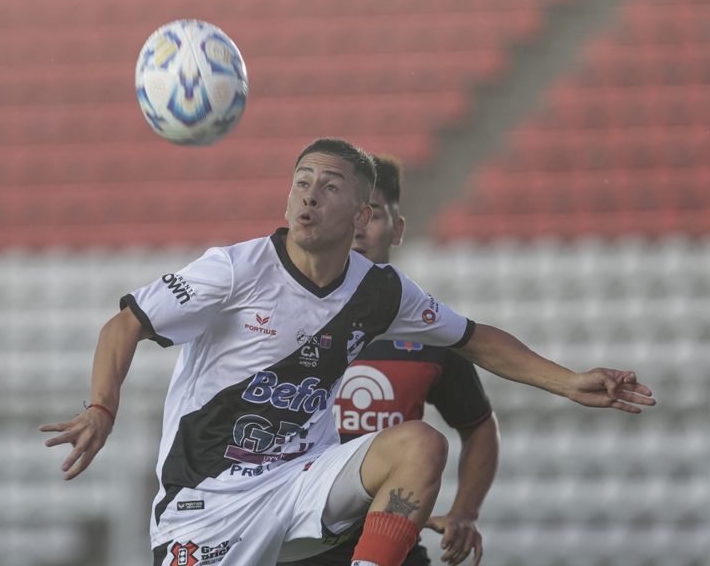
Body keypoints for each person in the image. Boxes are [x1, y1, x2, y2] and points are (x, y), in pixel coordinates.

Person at [41, 138, 654, 566]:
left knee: (421, 444)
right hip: (208, 502)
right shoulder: (233, 270)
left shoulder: (380, 291)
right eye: (301, 183)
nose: (309, 196)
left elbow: (475, 338)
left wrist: (568, 381)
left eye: (328, 187)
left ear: (361, 215)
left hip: (299, 482)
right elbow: (124, 326)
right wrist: (101, 408)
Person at [282, 155, 498, 566]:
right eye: (346, 211)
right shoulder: (276, 318)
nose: (358, 226)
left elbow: (479, 424)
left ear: (396, 229)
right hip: (288, 543)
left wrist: (465, 512)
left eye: (373, 214)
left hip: (390, 543)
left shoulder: (429, 330)